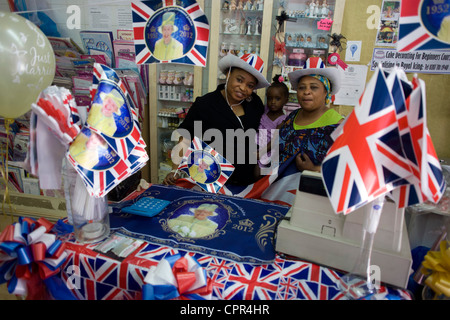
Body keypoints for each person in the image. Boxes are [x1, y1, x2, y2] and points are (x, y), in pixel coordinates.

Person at [163, 53, 270, 186]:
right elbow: (185, 138)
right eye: (239, 80)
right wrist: (175, 170)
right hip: (214, 180)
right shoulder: (205, 104)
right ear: (228, 74)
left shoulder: (255, 103)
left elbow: (263, 133)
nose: (243, 88)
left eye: (250, 85)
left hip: (248, 181)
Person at [276, 56, 344, 172]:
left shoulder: (338, 124)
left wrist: (314, 169)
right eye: (302, 87)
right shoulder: (292, 117)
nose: (306, 92)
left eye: (314, 87)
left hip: (310, 188)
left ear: (326, 93)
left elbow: (346, 165)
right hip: (277, 186)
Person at [256, 75, 288, 166]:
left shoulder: (282, 119)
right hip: (256, 145)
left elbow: (275, 140)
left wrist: (261, 152)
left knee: (258, 173)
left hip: (267, 149)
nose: (273, 102)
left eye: (277, 99)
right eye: (270, 98)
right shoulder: (266, 110)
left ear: (285, 100)